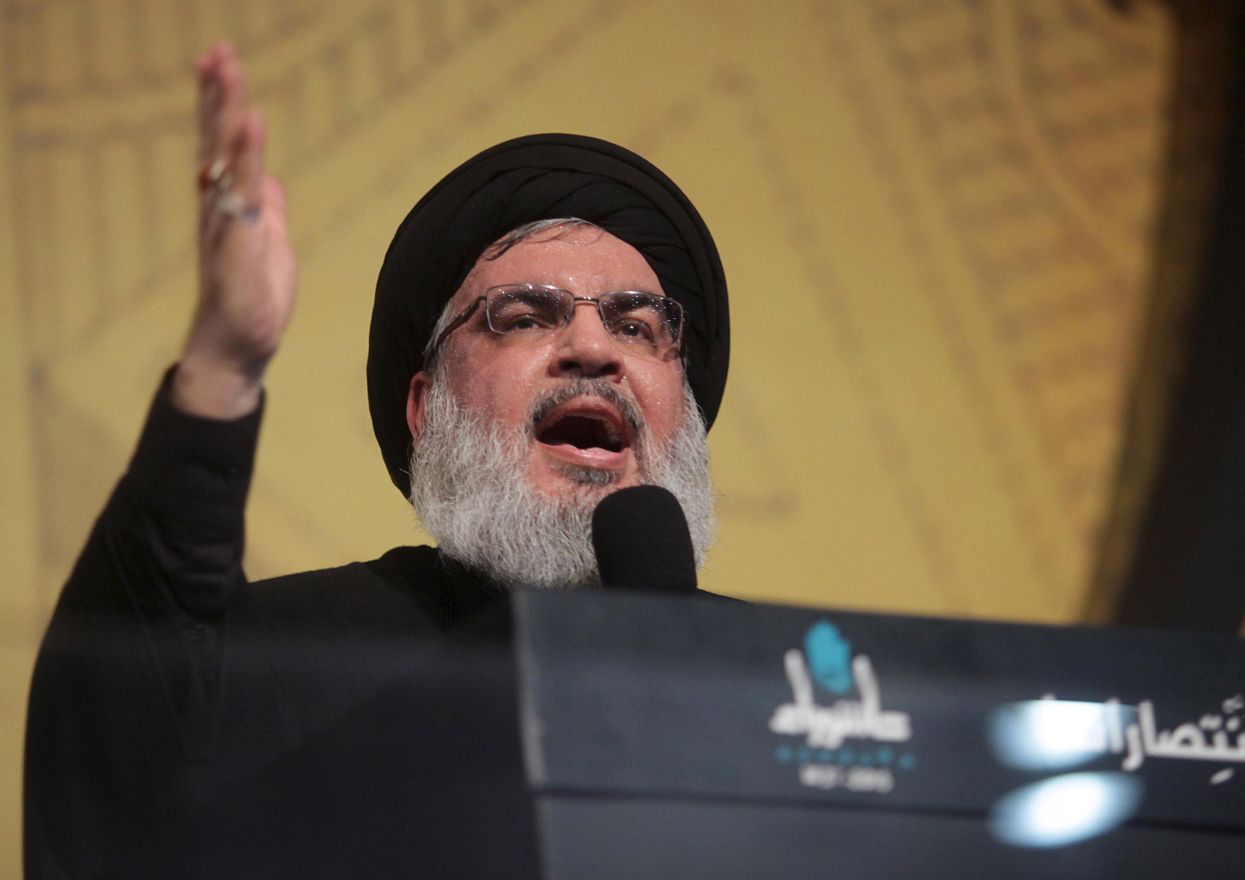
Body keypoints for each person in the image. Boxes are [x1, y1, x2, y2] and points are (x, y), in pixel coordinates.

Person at [24, 43, 730, 878]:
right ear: (426, 410)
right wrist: (221, 365)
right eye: (525, 315)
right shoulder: (298, 661)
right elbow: (110, 743)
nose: (590, 345)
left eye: (637, 324)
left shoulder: (779, 695)